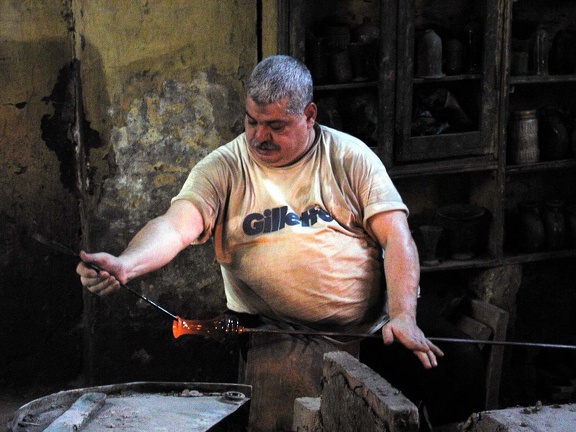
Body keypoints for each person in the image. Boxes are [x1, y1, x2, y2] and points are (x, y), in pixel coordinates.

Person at [77, 55, 479, 430]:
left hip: (370, 326)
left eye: (276, 126)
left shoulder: (349, 157)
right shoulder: (225, 167)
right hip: (275, 329)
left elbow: (397, 239)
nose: (259, 137)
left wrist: (403, 313)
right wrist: (127, 263)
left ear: (309, 116)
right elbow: (176, 225)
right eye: (252, 122)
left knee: (459, 363)